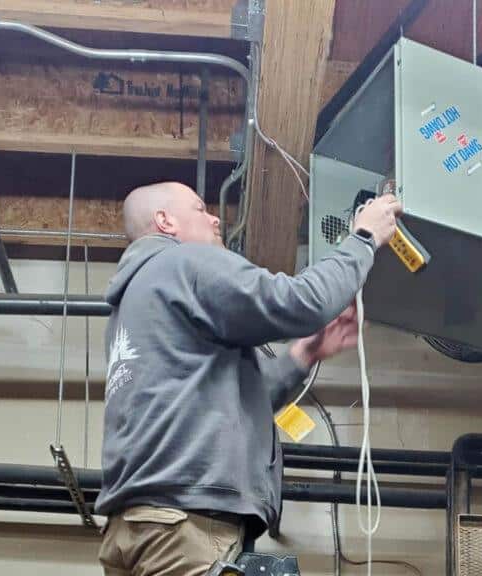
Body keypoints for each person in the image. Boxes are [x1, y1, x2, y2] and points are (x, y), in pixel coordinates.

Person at [96, 181, 401, 575]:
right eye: (200, 208)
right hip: (184, 528)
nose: (215, 217)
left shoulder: (132, 307)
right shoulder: (186, 263)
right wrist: (363, 237)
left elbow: (225, 403)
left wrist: (304, 353)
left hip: (134, 531)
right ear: (165, 221)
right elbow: (300, 302)